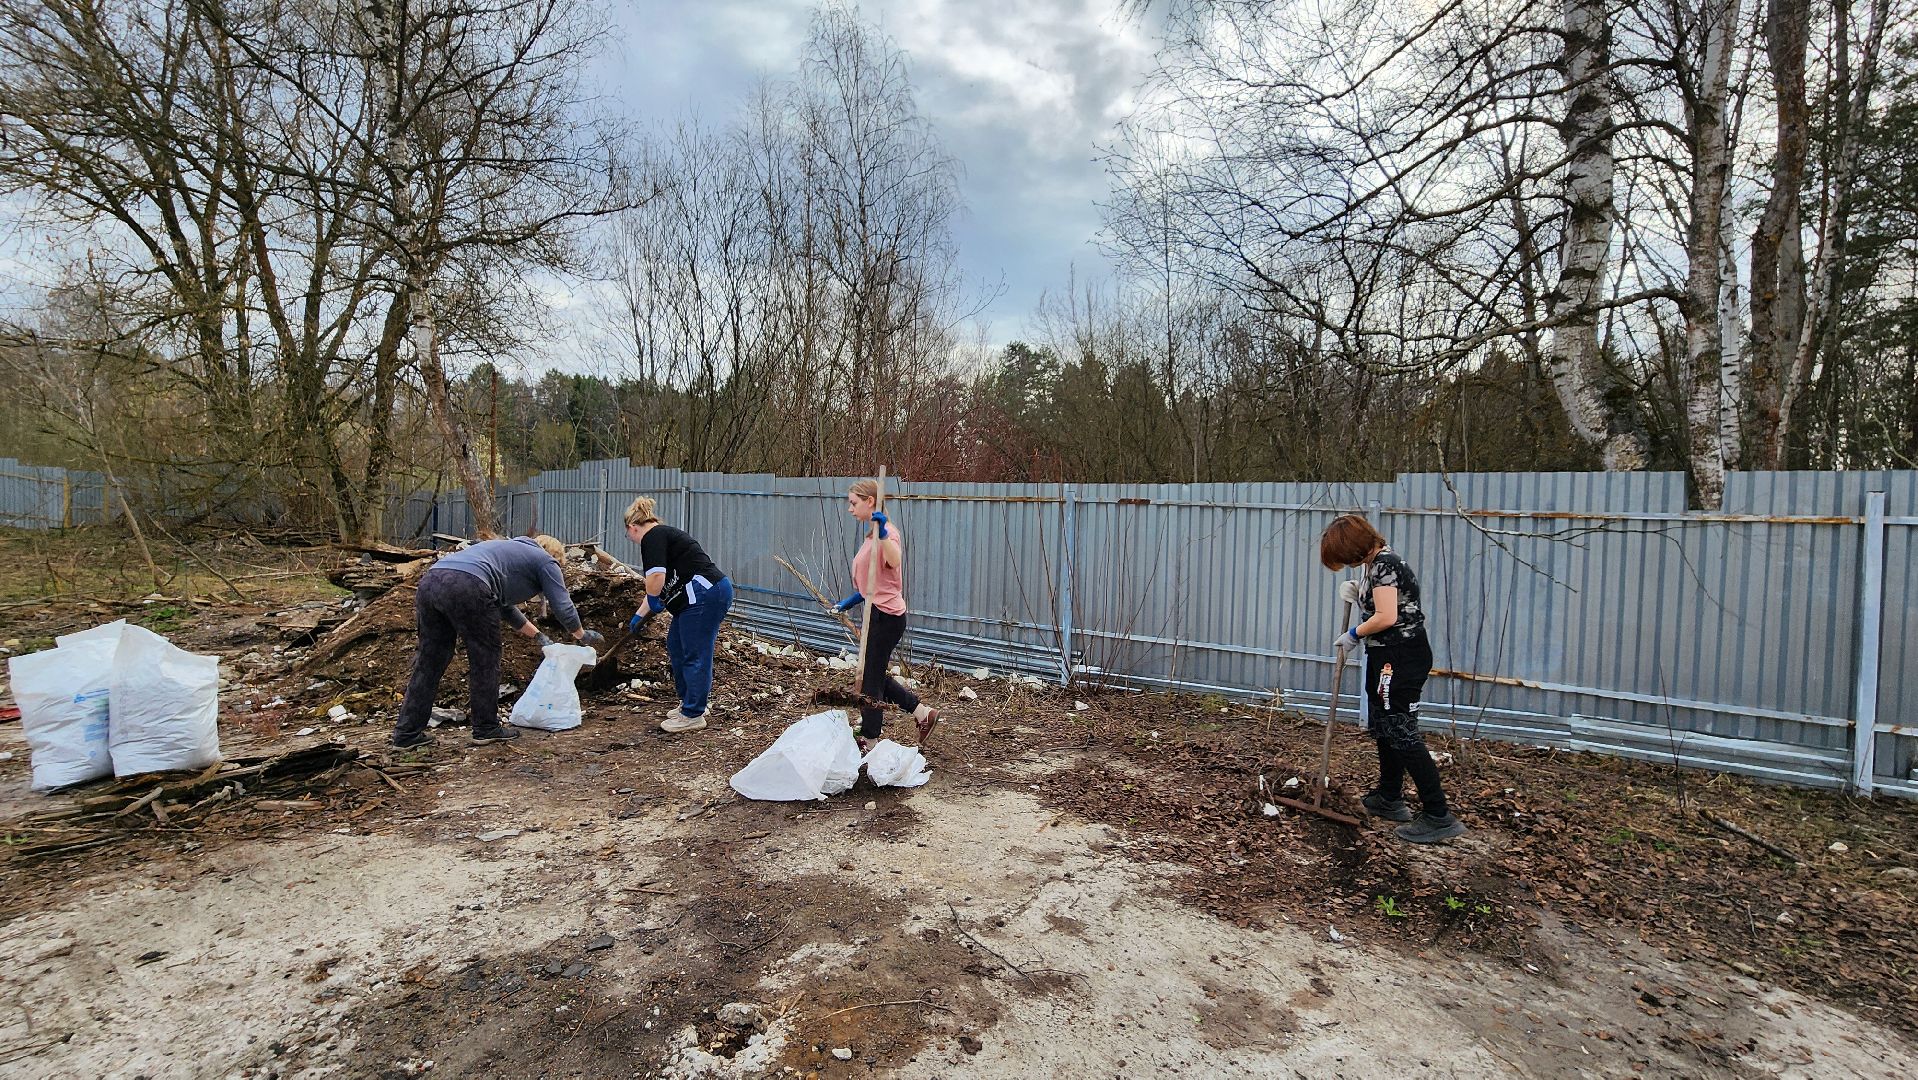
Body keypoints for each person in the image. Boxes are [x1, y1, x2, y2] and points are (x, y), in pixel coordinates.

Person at [1320, 514, 1465, 843]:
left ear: (1356, 548)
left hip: (1401, 657)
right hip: (1386, 655)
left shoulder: (1385, 563)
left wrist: (1355, 632)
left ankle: (1438, 815)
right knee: (1385, 727)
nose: (1344, 564)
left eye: (1344, 558)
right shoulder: (1375, 565)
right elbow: (1383, 603)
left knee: (1400, 730)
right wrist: (1360, 593)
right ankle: (1389, 797)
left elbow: (1387, 616)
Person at [392, 534, 603, 748]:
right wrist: (581, 635)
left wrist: (538, 636)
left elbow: (504, 607)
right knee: (485, 657)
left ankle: (407, 733)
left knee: (430, 661)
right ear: (556, 557)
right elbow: (563, 606)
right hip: (467, 586)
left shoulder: (505, 553)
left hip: (431, 582)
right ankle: (485, 727)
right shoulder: (546, 561)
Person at [830, 480, 939, 752]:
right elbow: (874, 581)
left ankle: (871, 737)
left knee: (871, 679)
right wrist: (852, 600)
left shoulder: (887, 532)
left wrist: (882, 535)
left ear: (871, 502)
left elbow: (894, 560)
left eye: (854, 503)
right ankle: (922, 713)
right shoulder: (871, 535)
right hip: (876, 611)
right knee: (873, 675)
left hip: (887, 617)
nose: (850, 509)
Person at [623, 496, 734, 733]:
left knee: (695, 652)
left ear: (632, 528)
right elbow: (659, 586)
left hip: (704, 594)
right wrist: (639, 615)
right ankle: (690, 703)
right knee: (677, 646)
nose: (631, 540)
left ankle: (694, 713)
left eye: (628, 536)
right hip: (695, 599)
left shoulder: (652, 537)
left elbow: (655, 579)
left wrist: (652, 599)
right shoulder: (663, 538)